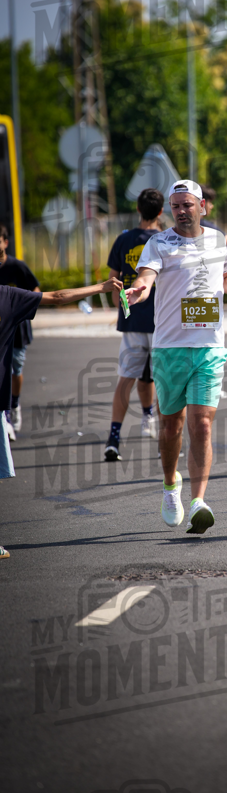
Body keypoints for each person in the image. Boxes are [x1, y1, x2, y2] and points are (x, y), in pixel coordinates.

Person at [125, 180, 227, 534]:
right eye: (176, 206)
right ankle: (169, 486)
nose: (181, 210)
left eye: (187, 204)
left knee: (203, 423)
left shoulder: (217, 240)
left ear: (203, 206)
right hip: (169, 347)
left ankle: (199, 501)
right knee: (171, 426)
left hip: (209, 345)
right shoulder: (158, 243)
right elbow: (147, 276)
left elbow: (225, 279)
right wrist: (141, 288)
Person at [0, 274, 123, 559]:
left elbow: (56, 297)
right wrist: (100, 287)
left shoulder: (9, 295)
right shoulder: (7, 295)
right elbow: (56, 297)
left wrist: (99, 287)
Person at [104, 189, 164, 462]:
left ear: (138, 210)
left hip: (132, 322)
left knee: (126, 380)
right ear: (161, 212)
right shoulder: (165, 240)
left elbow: (113, 283)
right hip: (162, 322)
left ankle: (113, 439)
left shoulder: (123, 239)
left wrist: (122, 307)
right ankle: (167, 438)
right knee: (165, 382)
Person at [0, 222, 41, 439]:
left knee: (15, 369)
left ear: (5, 242)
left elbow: (36, 291)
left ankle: (14, 405)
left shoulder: (17, 267)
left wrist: (22, 307)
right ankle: (4, 416)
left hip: (17, 330)